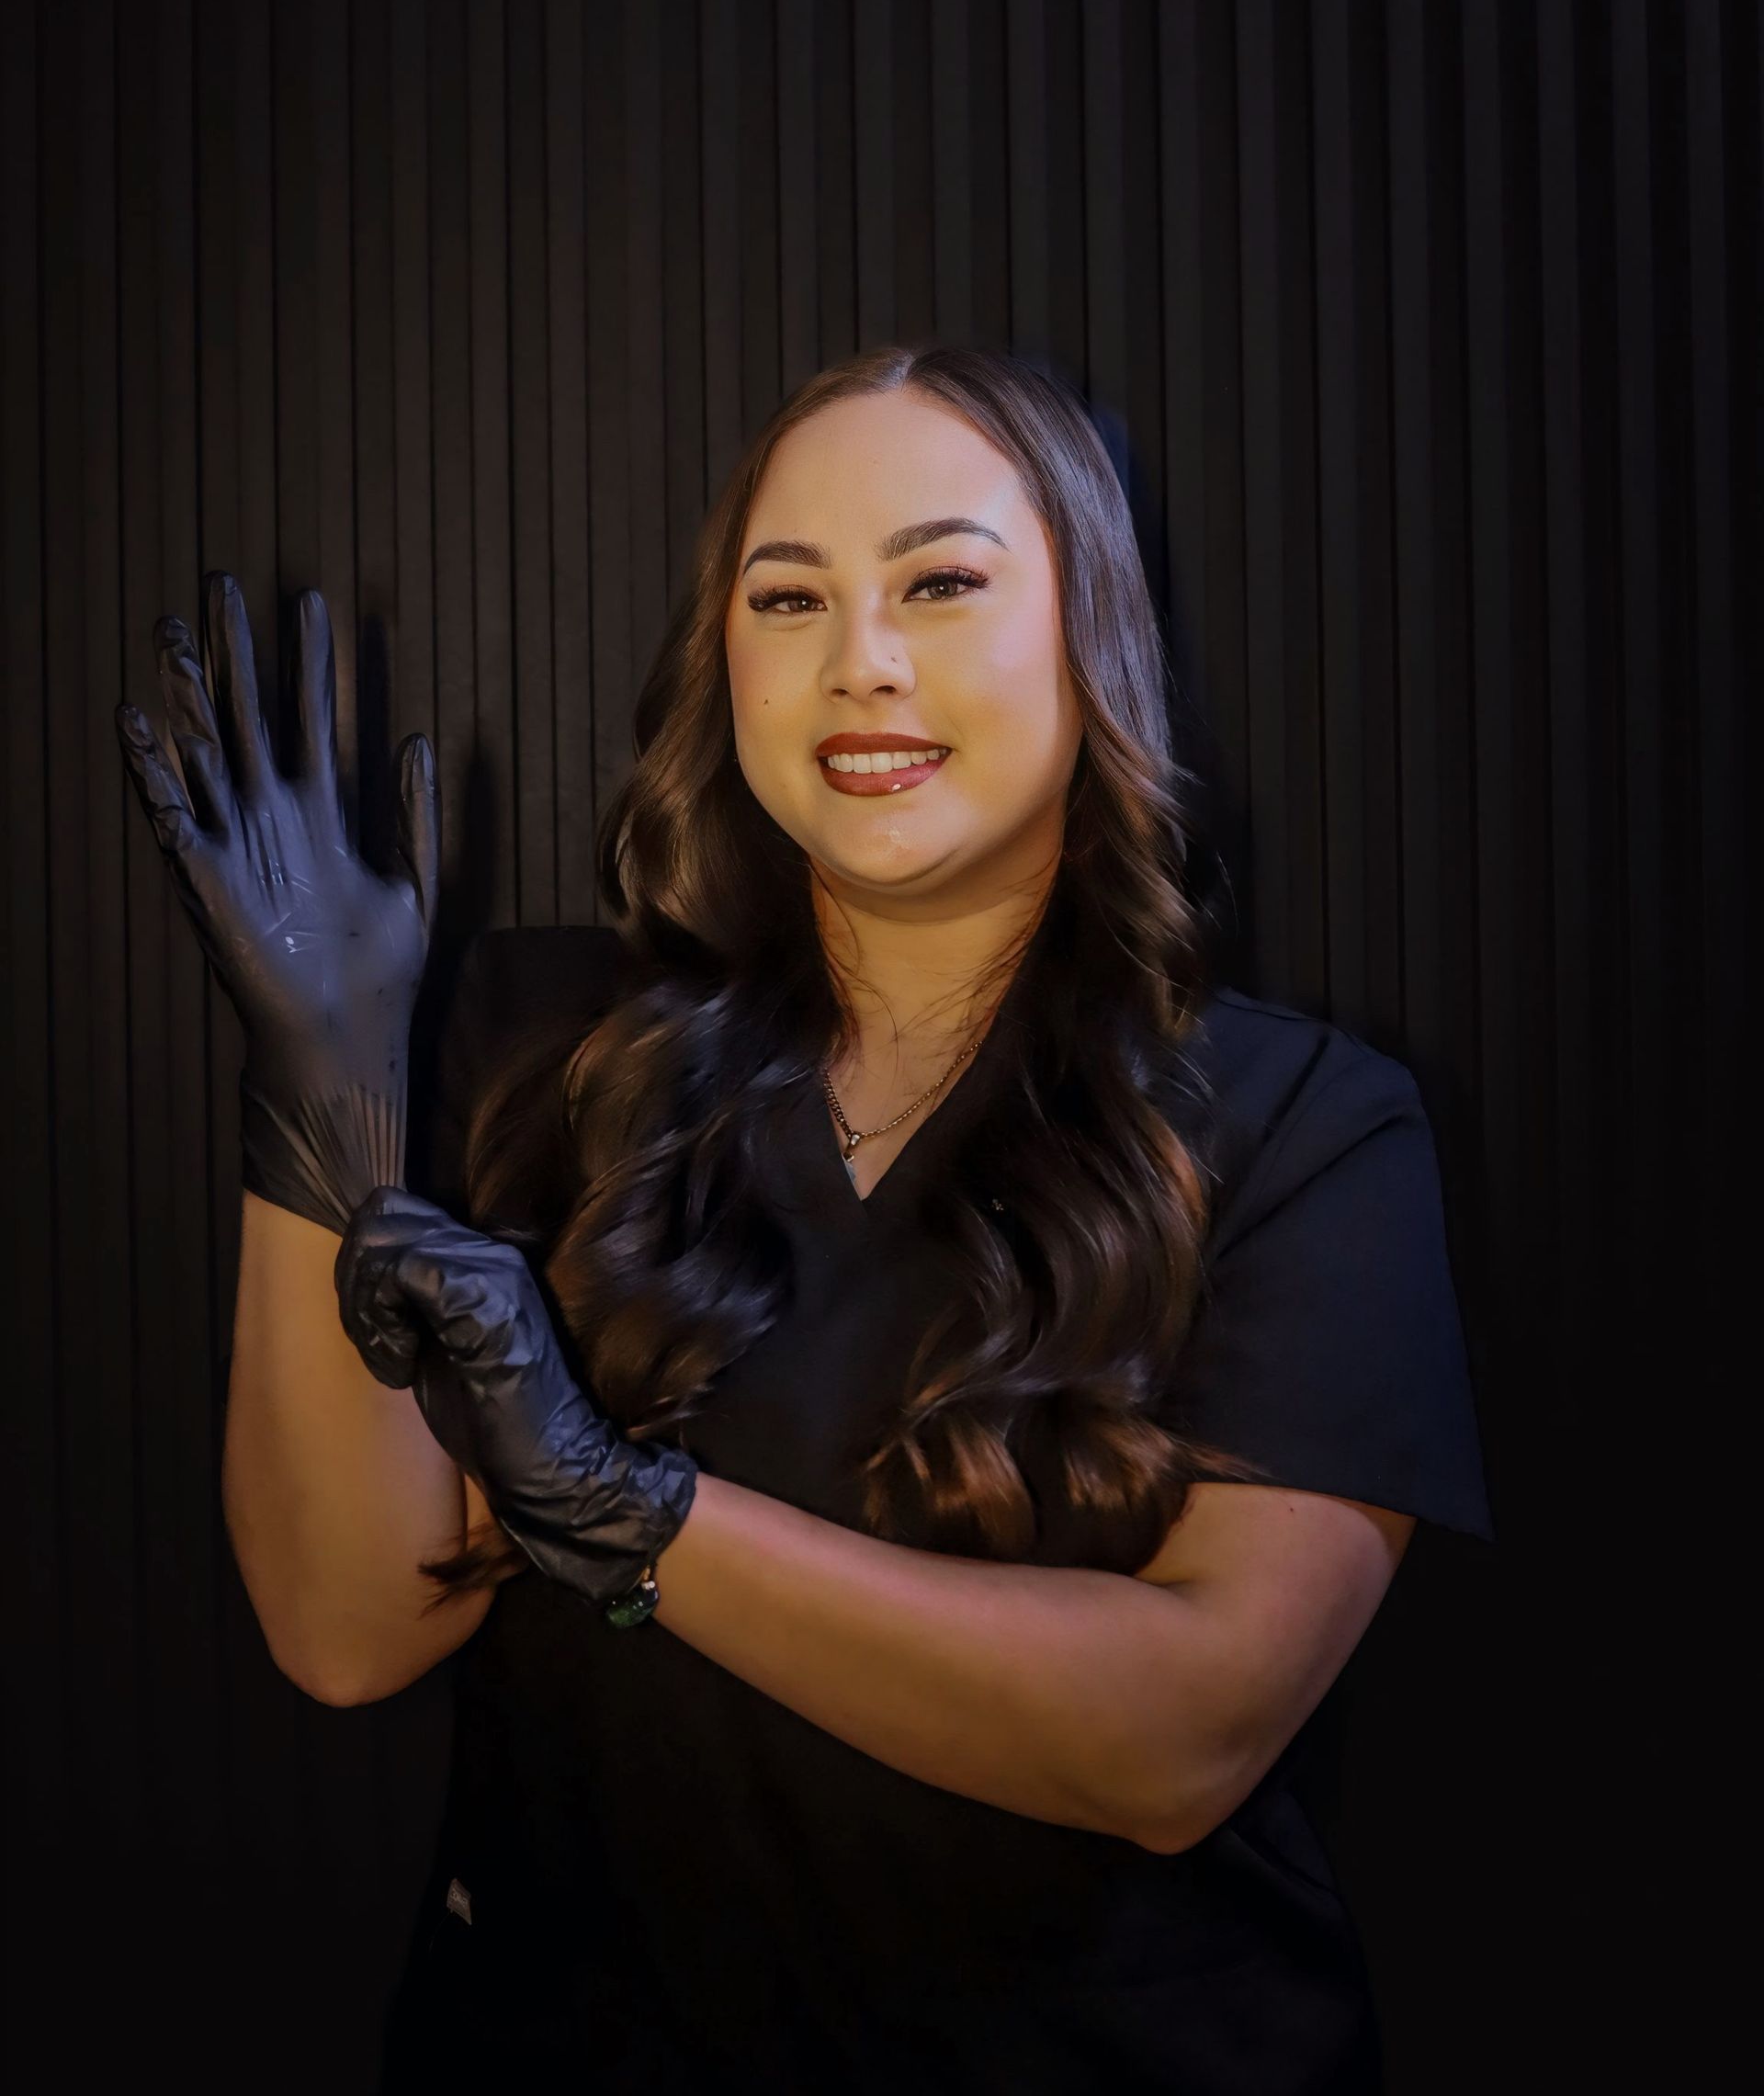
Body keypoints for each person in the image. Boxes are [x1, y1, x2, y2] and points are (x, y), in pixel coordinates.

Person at [116, 343, 1493, 2095]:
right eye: (790, 600)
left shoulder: (1312, 1129)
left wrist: (626, 1518)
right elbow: (343, 1629)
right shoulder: (543, 1054)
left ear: (1091, 636)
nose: (863, 664)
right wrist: (326, 1088)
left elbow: (1183, 1732)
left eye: (941, 581)